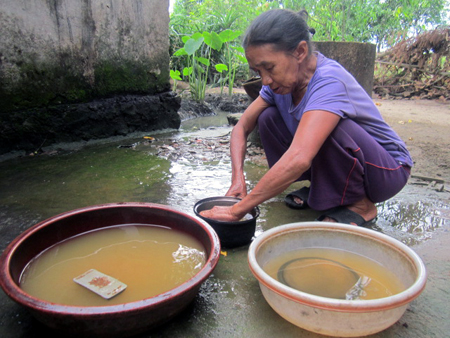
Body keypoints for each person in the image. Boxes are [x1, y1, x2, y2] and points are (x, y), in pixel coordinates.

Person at [200, 9, 412, 226]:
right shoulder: (279, 84)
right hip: (357, 164)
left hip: (387, 170)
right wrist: (238, 179)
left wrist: (237, 210)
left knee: (331, 128)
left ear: (300, 52)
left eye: (269, 68)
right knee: (268, 117)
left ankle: (360, 205)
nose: (265, 80)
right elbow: (241, 128)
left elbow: (300, 157)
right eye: (258, 71)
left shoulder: (329, 81)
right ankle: (325, 190)